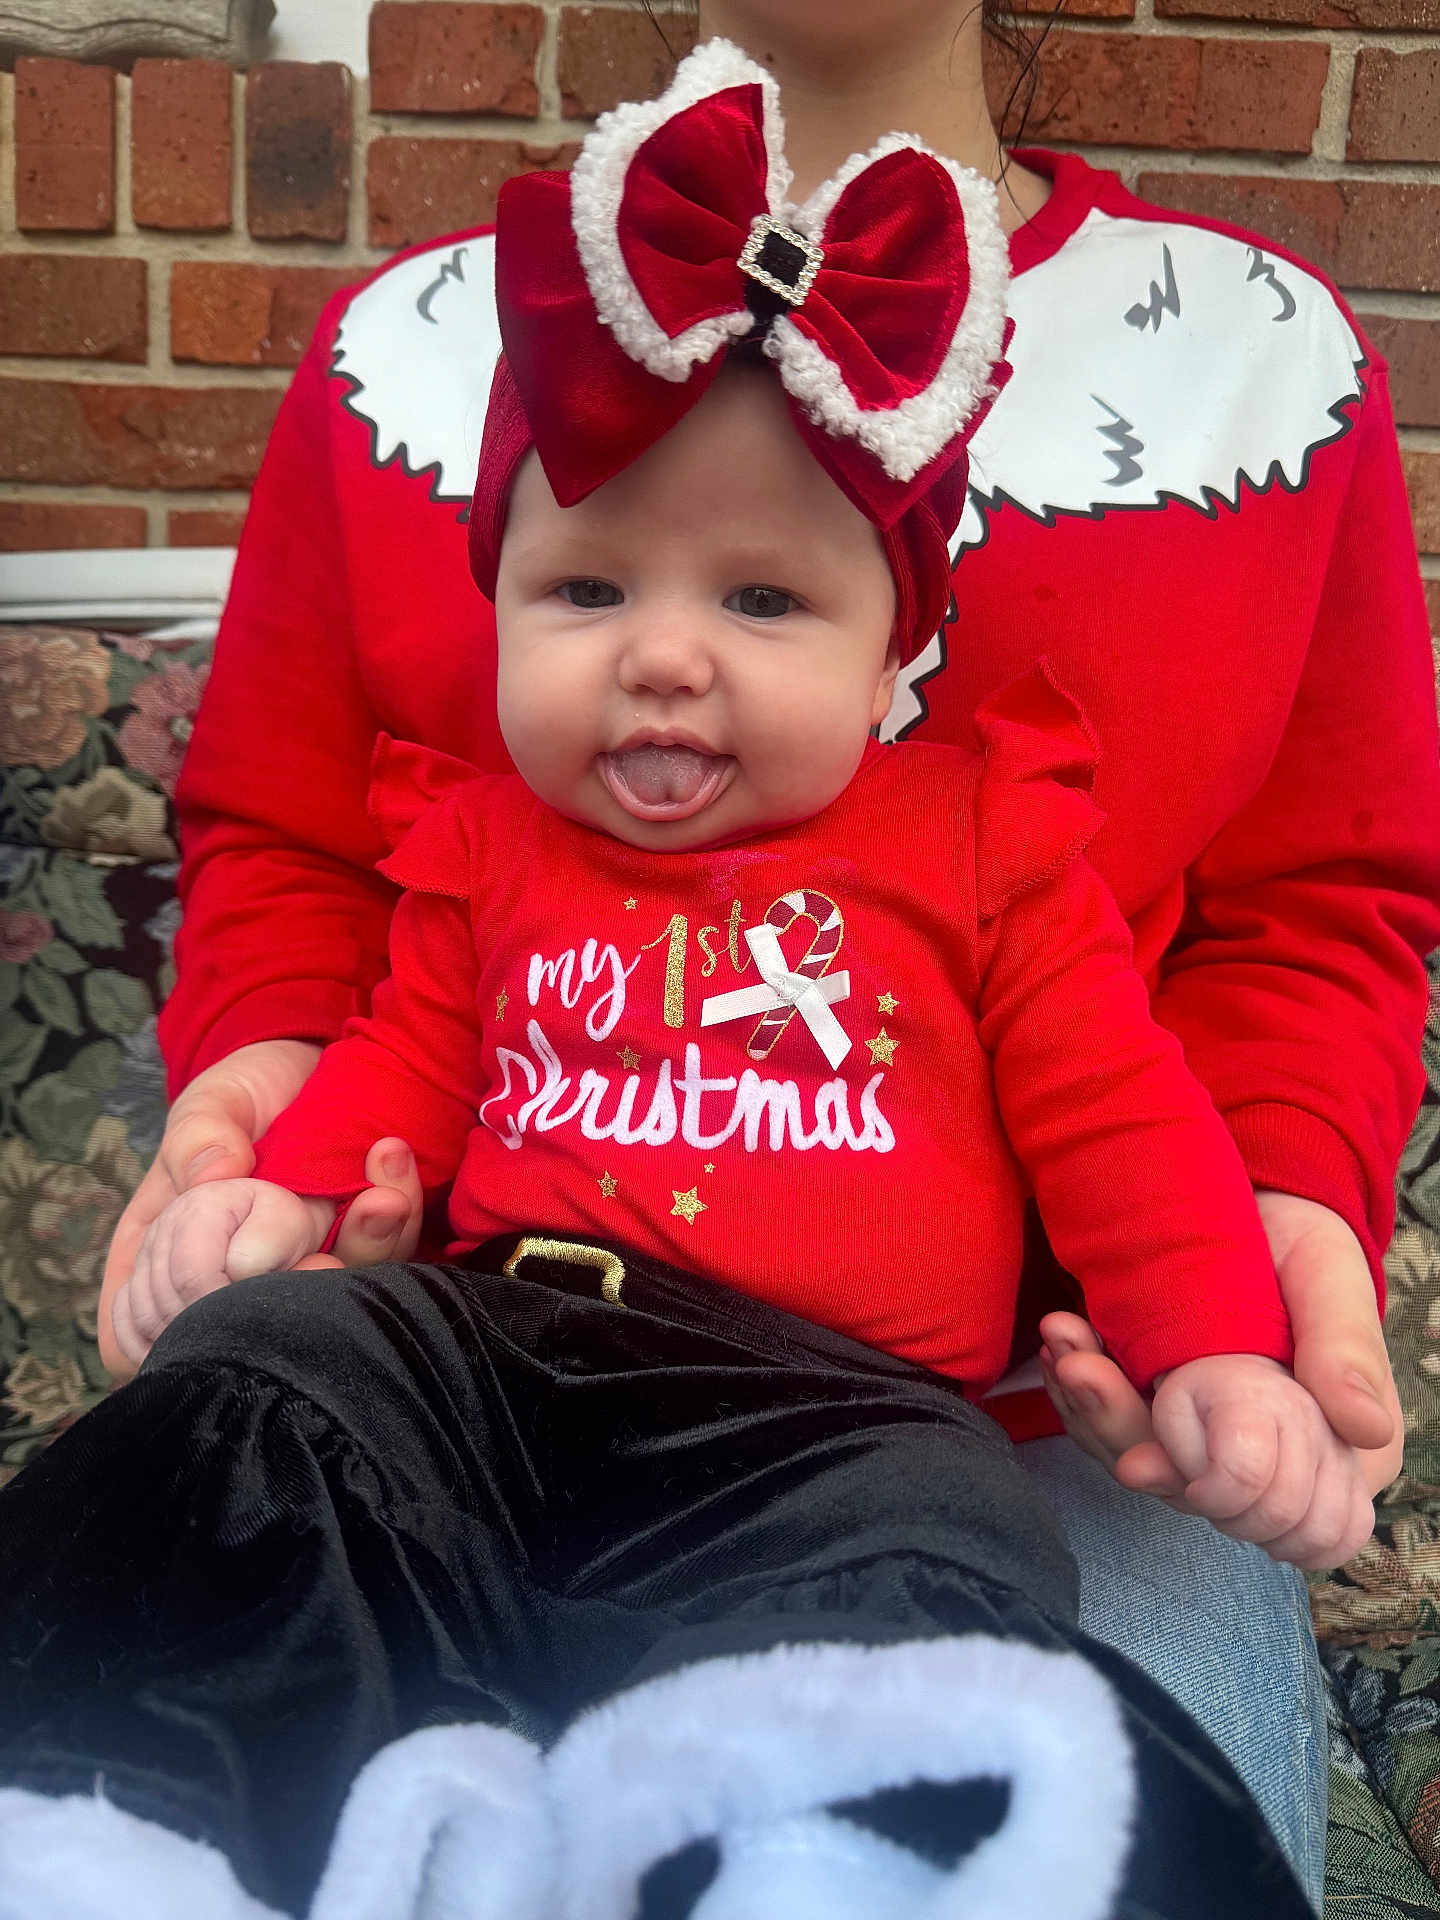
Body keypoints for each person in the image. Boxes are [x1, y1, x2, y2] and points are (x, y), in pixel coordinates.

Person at [84, 0, 1440, 1902]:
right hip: (468, 1338)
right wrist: (275, 1140)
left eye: (757, 599)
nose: (662, 659)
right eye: (581, 589)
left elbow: (1308, 924)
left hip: (1003, 1422)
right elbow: (330, 893)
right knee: (195, 1527)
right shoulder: (407, 348)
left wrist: (1243, 1259)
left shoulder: (1263, 369)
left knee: (1024, 1822)